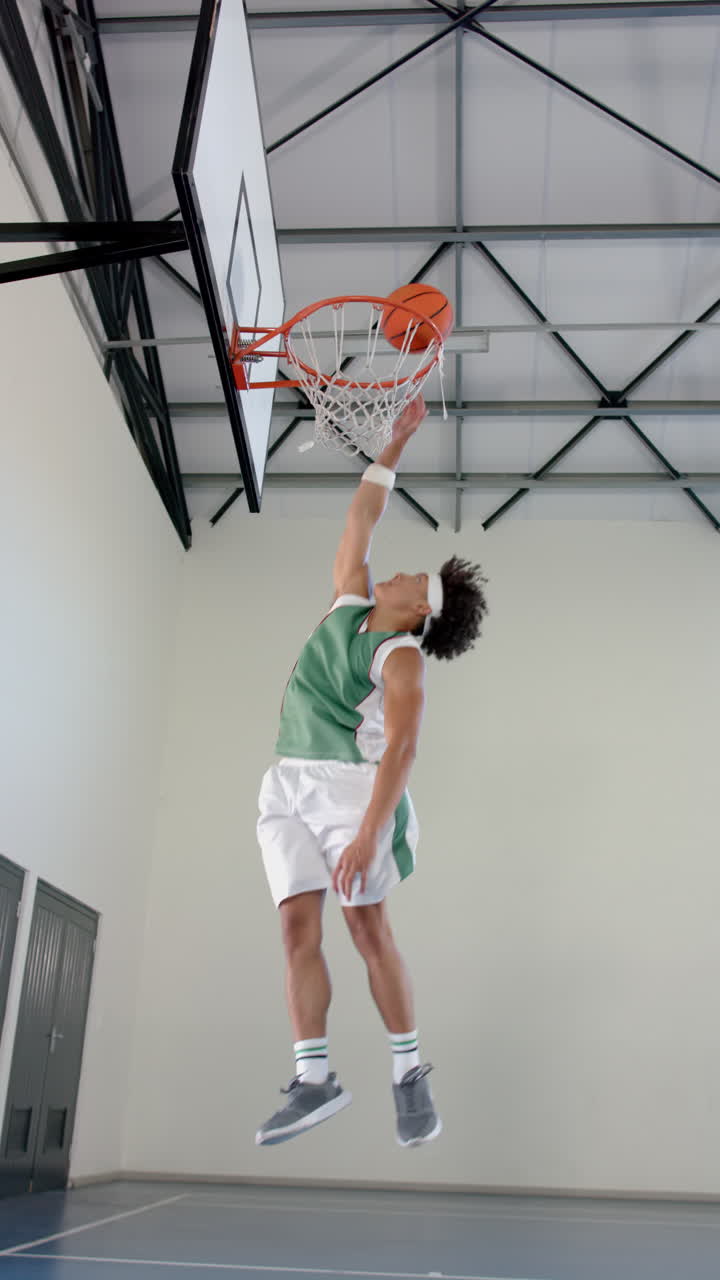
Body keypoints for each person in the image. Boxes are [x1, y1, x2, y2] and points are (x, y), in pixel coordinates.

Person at [255, 395, 488, 1148]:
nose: (402, 571)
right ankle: (314, 1078)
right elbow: (361, 517)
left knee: (365, 928)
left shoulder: (402, 657)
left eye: (415, 579)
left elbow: (403, 750)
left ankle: (409, 1072)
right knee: (296, 928)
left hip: (356, 792)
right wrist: (396, 441)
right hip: (287, 780)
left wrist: (368, 832)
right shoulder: (349, 599)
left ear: (419, 609)